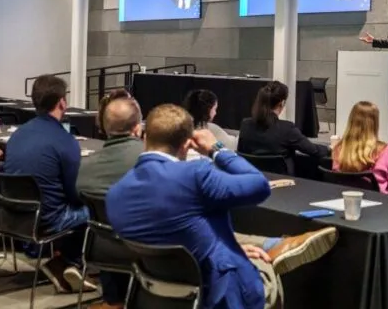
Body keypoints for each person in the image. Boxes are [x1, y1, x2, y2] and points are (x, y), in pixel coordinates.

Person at [106, 104, 338, 309]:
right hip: (221, 295)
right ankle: (270, 252)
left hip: (155, 295)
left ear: (143, 137)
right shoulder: (196, 174)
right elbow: (259, 186)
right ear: (188, 145)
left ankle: (270, 245)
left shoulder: (115, 195)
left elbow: (172, 235)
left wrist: (223, 245)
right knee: (263, 271)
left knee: (229, 238)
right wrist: (217, 149)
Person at [3, 75, 96, 294]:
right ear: (62, 102)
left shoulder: (18, 134)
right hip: (45, 222)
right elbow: (74, 194)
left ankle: (63, 261)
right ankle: (67, 263)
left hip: (9, 215)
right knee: (96, 209)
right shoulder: (66, 142)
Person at [77, 96, 144, 309]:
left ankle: (112, 301)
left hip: (101, 248)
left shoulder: (84, 168)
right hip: (148, 253)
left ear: (105, 128)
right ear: (137, 127)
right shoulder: (152, 162)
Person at [238, 81, 330, 173]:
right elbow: (313, 150)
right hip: (284, 181)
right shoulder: (287, 129)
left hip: (253, 178)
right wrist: (331, 149)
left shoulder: (245, 125)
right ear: (282, 103)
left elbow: (240, 154)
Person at [331, 101, 388, 195]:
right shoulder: (386, 151)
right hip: (380, 204)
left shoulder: (339, 149)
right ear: (375, 123)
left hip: (344, 200)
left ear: (351, 121)